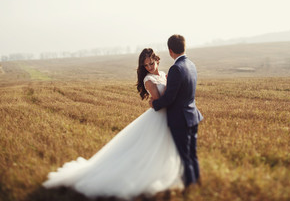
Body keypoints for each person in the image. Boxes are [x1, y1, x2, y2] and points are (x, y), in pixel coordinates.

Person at [42, 48, 184, 200]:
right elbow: (157, 98)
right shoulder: (148, 79)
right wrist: (170, 85)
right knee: (147, 149)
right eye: (146, 65)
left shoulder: (162, 74)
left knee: (164, 148)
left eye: (151, 63)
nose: (149, 67)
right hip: (157, 118)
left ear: (157, 60)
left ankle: (162, 174)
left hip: (167, 116)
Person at [150, 34, 203, 188]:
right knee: (192, 155)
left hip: (180, 119)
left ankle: (191, 188)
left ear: (170, 50)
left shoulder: (176, 68)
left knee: (184, 157)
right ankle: (198, 184)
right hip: (193, 115)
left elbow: (170, 98)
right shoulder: (191, 65)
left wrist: (155, 104)